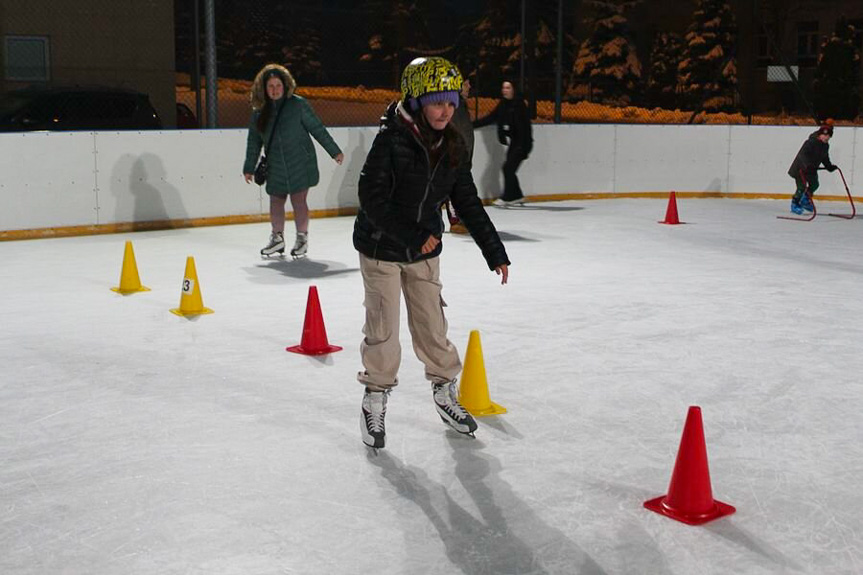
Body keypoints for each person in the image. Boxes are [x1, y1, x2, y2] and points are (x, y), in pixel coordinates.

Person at [354, 57, 511, 450]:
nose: (446, 110)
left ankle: (444, 391)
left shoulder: (452, 144)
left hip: (423, 250)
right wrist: (411, 234)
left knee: (431, 324)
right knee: (383, 330)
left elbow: (467, 201)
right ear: (418, 100)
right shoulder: (391, 140)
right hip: (382, 247)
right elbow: (370, 197)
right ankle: (375, 396)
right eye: (437, 102)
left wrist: (494, 250)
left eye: (452, 102)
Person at [243, 64, 344, 257]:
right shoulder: (259, 113)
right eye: (270, 86)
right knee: (275, 201)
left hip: (300, 163)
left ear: (285, 85)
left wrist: (334, 151)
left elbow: (317, 128)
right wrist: (249, 167)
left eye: (278, 85)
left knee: (299, 202)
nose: (274, 90)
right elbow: (253, 143)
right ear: (264, 89)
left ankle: (302, 238)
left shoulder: (298, 105)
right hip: (276, 166)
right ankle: (277, 238)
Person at [473, 79, 533, 207]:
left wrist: (520, 144)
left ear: (513, 90)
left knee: (507, 168)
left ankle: (508, 197)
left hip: (523, 143)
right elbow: (491, 117)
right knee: (509, 169)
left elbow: (524, 128)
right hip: (515, 142)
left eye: (508, 88)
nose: (504, 90)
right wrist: (472, 125)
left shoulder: (520, 105)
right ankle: (516, 195)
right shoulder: (503, 104)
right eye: (503, 88)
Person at [444, 74, 475, 234]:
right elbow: (459, 133)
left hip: (459, 156)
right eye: (466, 83)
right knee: (452, 187)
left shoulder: (459, 104)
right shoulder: (454, 105)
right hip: (455, 156)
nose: (469, 86)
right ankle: (455, 221)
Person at [787, 120, 837, 214]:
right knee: (801, 186)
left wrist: (829, 166)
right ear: (819, 135)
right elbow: (802, 155)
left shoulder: (825, 146)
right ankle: (795, 203)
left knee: (815, 184)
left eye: (829, 136)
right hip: (800, 168)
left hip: (811, 169)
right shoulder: (810, 142)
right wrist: (807, 165)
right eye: (824, 135)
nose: (826, 138)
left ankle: (805, 200)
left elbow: (824, 158)